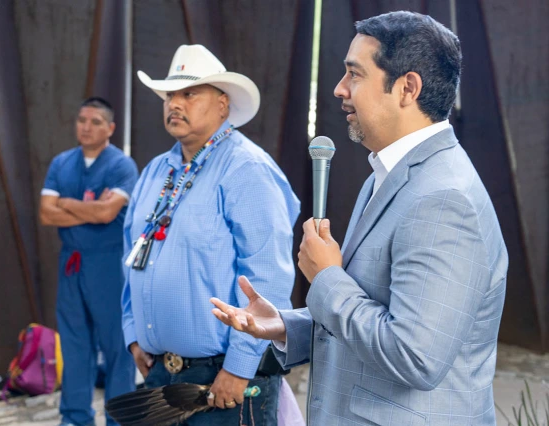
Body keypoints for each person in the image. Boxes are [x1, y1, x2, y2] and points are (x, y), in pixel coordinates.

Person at [211, 11, 508, 426]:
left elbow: (414, 356)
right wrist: (287, 326)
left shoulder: (443, 198)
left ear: (407, 88)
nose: (339, 89)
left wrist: (327, 278)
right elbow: (374, 311)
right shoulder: (387, 178)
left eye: (354, 74)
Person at [122, 44, 300, 425]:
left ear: (222, 104)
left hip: (223, 380)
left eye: (189, 93)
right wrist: (133, 334)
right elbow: (133, 256)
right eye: (170, 94)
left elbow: (267, 277)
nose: (175, 103)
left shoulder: (246, 168)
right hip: (161, 374)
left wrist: (239, 368)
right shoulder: (156, 171)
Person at [40, 97, 139, 426]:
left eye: (96, 121)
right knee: (74, 343)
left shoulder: (121, 165)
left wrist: (66, 205)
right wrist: (91, 210)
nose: (86, 126)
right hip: (72, 264)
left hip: (108, 265)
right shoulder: (61, 163)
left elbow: (107, 213)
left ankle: (119, 418)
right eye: (82, 119)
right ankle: (75, 417)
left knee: (117, 346)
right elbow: (45, 213)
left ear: (110, 128)